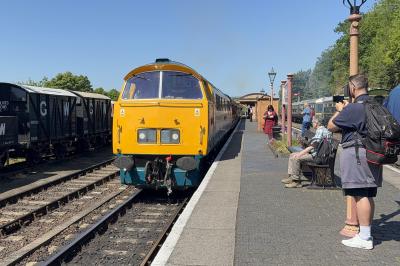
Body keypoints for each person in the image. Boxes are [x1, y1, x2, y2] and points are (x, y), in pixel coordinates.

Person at [327, 74, 382, 250]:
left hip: (358, 155)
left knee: (360, 194)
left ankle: (365, 238)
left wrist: (340, 109)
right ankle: (366, 232)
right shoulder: (375, 104)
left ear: (352, 87)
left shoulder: (354, 108)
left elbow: (331, 125)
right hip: (373, 153)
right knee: (367, 193)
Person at [282, 118, 332, 188]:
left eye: (313, 122)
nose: (312, 124)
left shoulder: (320, 131)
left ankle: (296, 181)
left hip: (318, 157)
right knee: (292, 155)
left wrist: (300, 154)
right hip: (319, 154)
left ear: (317, 123)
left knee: (296, 158)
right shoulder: (322, 130)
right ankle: (292, 177)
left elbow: (313, 146)